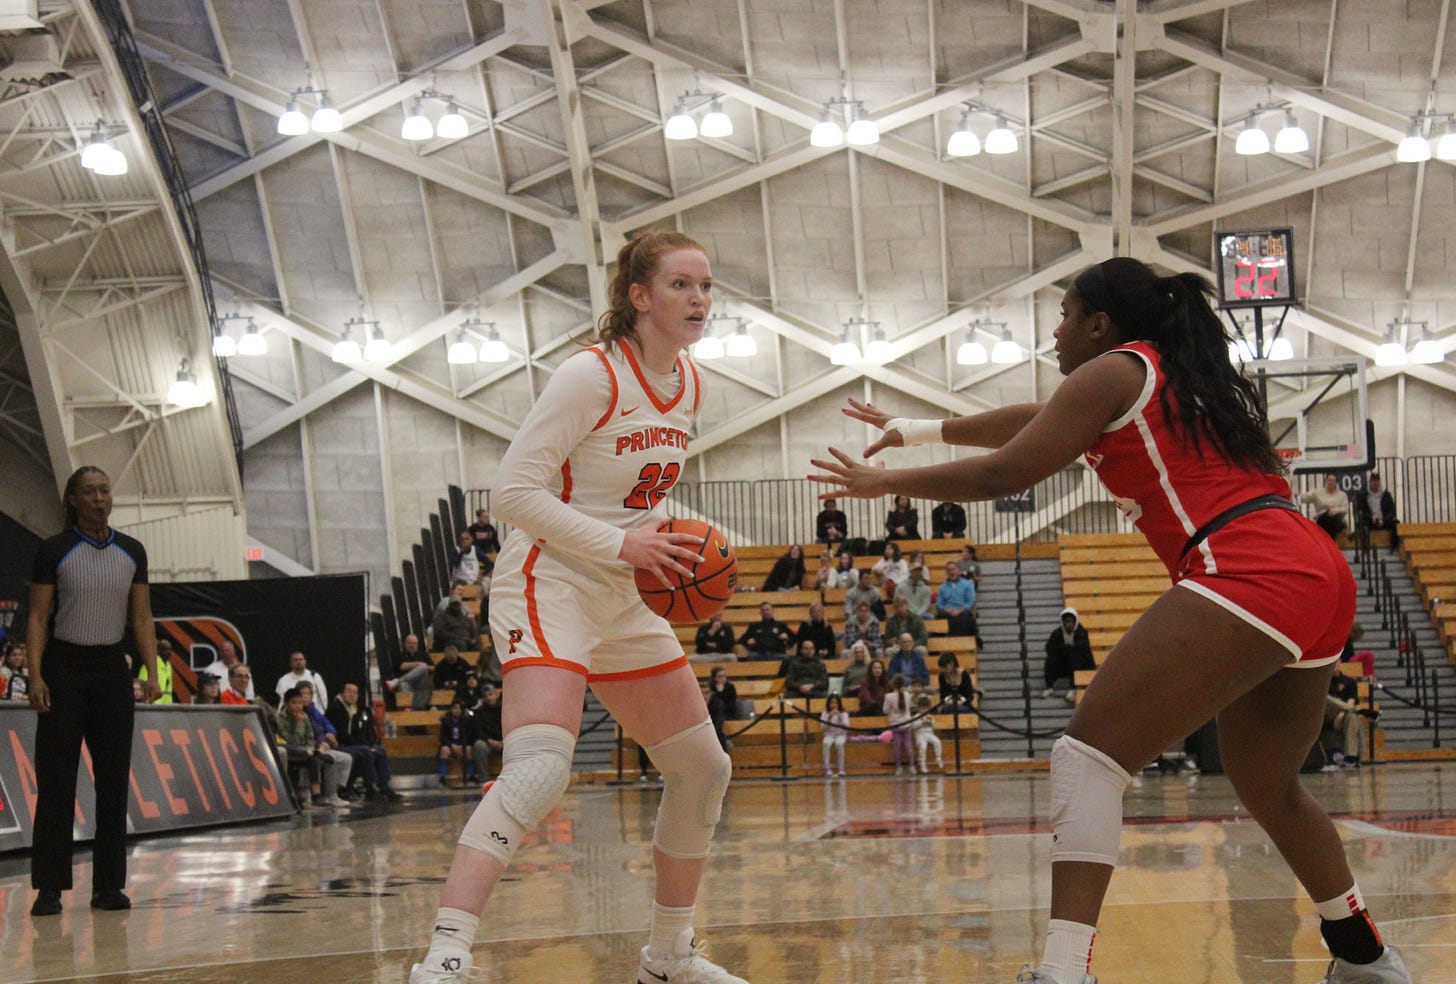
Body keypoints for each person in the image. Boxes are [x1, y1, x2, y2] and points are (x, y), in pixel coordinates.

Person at [810, 256, 1408, 983]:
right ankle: (1366, 955)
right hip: (1317, 572)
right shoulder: (1170, 378)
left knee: (1087, 758)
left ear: (1100, 323)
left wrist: (884, 482)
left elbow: (1006, 473)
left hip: (1249, 566)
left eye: (1065, 314)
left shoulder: (1113, 370)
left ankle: (1065, 971)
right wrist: (916, 427)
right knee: (1268, 782)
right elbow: (1035, 421)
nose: (1055, 332)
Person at [409, 229, 746, 984]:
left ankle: (669, 957)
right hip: (550, 578)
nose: (699, 300)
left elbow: (630, 492)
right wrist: (622, 544)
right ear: (638, 297)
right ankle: (446, 952)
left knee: (701, 767)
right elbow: (514, 495)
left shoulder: (688, 382)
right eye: (682, 286)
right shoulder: (591, 375)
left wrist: (667, 535)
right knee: (539, 767)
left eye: (706, 286)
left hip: (623, 589)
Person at [26, 466, 161, 917]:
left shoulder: (132, 551)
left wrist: (153, 673)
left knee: (112, 782)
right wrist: (37, 675)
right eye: (89, 491)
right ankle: (49, 887)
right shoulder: (54, 550)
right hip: (63, 668)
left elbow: (141, 617)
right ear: (72, 500)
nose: (100, 498)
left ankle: (108, 886)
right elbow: (39, 618)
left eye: (105, 490)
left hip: (110, 670)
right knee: (57, 779)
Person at [276, 686, 349, 809]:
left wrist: (311, 748)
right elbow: (291, 741)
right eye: (294, 703)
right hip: (292, 751)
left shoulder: (304, 716)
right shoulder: (281, 719)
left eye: (300, 703)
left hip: (307, 750)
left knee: (328, 758)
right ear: (287, 704)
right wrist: (298, 725)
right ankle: (316, 796)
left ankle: (331, 794)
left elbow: (310, 736)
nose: (298, 706)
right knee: (313, 760)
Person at [327, 681, 402, 800]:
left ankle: (384, 786)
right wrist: (366, 746)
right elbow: (342, 734)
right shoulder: (335, 709)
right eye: (349, 692)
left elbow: (364, 731)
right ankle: (370, 786)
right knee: (366, 751)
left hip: (356, 744)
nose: (352, 695)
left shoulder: (359, 710)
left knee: (380, 750)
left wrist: (371, 744)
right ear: (341, 694)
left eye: (355, 692)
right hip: (342, 744)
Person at [297, 681, 359, 802]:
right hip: (310, 747)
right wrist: (320, 743)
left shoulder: (314, 710)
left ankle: (336, 790)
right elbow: (310, 733)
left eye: (308, 694)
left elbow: (327, 724)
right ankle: (329, 794)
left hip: (323, 744)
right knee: (330, 759)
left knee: (347, 758)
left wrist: (329, 735)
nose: (305, 697)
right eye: (302, 694)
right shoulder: (300, 713)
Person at [1042, 607, 1095, 701]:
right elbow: (1049, 648)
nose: (1069, 625)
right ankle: (1049, 687)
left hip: (1081, 664)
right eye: (1066, 622)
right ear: (1063, 622)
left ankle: (1074, 688)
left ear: (1075, 622)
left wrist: (1068, 650)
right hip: (1064, 664)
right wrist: (1066, 649)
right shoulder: (1057, 633)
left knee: (1073, 657)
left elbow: (1083, 649)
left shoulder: (1082, 632)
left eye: (1071, 622)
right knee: (1050, 660)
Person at [384, 633, 436, 710]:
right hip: (407, 684)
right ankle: (410, 709)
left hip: (421, 684)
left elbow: (433, 668)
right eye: (410, 643)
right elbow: (402, 666)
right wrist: (419, 664)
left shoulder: (423, 654)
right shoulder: (399, 655)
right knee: (403, 685)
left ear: (417, 645)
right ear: (405, 644)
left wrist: (422, 667)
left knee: (423, 668)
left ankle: (397, 681)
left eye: (414, 643)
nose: (412, 645)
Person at [934, 562, 978, 639]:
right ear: (946, 573)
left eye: (953, 569)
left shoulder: (967, 584)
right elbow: (939, 604)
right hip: (947, 614)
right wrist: (946, 610)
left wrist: (960, 610)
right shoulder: (942, 588)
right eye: (949, 570)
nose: (951, 572)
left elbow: (971, 601)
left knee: (965, 620)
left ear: (958, 571)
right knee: (938, 622)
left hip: (962, 613)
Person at [1354, 473, 1399, 548]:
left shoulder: (1386, 495)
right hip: (1370, 521)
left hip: (1384, 521)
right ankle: (1365, 548)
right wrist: (1371, 517)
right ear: (1369, 482)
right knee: (1362, 525)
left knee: (1397, 524)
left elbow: (1392, 511)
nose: (1375, 483)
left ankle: (1394, 548)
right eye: (1373, 481)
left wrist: (1384, 520)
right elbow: (1360, 511)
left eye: (1377, 481)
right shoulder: (1363, 495)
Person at [1300, 474, 1349, 541]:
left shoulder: (1342, 495)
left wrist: (1335, 510)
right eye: (1329, 480)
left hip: (1336, 519)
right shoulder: (1318, 493)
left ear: (1336, 483)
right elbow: (1304, 498)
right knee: (1328, 516)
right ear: (1326, 481)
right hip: (1321, 519)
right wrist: (1297, 496)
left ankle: (1331, 540)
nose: (1331, 482)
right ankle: (1342, 531)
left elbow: (1345, 509)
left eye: (1333, 481)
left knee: (1333, 519)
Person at [470, 683, 504, 779]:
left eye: (490, 694)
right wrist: (489, 741)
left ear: (496, 694)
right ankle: (483, 777)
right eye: (485, 696)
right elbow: (478, 731)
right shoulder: (479, 712)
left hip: (505, 741)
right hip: (488, 742)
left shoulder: (505, 708)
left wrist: (504, 741)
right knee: (479, 745)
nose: (489, 698)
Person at [883, 673, 914, 776]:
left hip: (896, 725)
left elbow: (885, 710)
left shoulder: (889, 696)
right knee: (908, 746)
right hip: (906, 724)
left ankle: (899, 767)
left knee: (897, 747)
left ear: (892, 684)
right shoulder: (907, 695)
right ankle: (912, 766)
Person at [438, 702, 476, 786]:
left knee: (469, 749)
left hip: (463, 745)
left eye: (460, 708)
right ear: (451, 709)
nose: (457, 710)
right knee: (444, 750)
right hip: (450, 745)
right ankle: (442, 777)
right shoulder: (446, 721)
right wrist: (451, 745)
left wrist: (462, 745)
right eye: (455, 708)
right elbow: (443, 738)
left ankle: (471, 776)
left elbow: (470, 736)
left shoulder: (466, 721)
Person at [912, 693, 943, 773]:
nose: (924, 710)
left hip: (929, 734)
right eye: (922, 708)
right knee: (923, 746)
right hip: (920, 735)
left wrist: (931, 721)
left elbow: (934, 726)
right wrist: (922, 722)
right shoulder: (917, 716)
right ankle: (922, 764)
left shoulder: (929, 716)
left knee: (937, 742)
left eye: (926, 708)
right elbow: (913, 727)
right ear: (918, 708)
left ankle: (938, 758)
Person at [137, 638, 174, 703]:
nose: (168, 652)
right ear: (158, 650)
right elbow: (142, 685)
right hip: (152, 705)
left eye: (170, 650)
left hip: (166, 707)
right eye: (165, 650)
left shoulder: (168, 666)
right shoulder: (149, 665)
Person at [820, 693, 850, 777]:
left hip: (841, 735)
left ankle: (841, 768)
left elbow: (847, 725)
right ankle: (827, 768)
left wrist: (840, 716)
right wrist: (829, 717)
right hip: (829, 735)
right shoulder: (825, 714)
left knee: (839, 744)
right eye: (831, 703)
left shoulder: (844, 714)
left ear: (839, 704)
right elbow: (823, 727)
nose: (833, 705)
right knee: (826, 743)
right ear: (828, 704)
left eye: (836, 703)